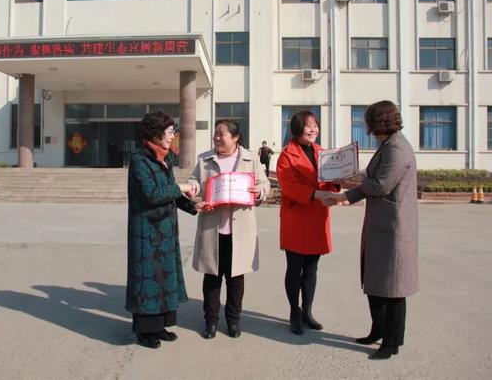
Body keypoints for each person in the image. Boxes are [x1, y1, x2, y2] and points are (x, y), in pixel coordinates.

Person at [322, 100, 419, 360]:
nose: (366, 128)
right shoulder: (387, 144)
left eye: (368, 122)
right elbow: (373, 179)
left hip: (394, 227)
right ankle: (378, 329)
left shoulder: (396, 148)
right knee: (376, 280)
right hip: (380, 224)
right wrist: (345, 192)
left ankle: (392, 342)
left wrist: (349, 188)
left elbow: (381, 185)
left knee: (393, 287)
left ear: (378, 123)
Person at [188, 119, 270, 339]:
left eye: (221, 134)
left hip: (239, 230)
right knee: (212, 279)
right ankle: (211, 322)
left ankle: (233, 321)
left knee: (235, 281)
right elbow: (194, 179)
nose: (216, 137)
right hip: (212, 229)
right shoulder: (205, 158)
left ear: (235, 138)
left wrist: (259, 191)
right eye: (215, 133)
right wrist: (193, 187)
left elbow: (264, 183)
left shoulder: (251, 158)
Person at [125, 111, 198, 349]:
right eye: (168, 132)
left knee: (164, 278)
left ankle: (159, 326)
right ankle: (144, 331)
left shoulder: (165, 159)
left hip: (166, 232)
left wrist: (194, 206)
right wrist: (182, 187)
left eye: (172, 132)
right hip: (147, 233)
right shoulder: (140, 160)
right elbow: (152, 194)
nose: (172, 136)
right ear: (155, 134)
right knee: (148, 280)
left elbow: (169, 192)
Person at [276, 110, 340, 335]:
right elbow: (289, 186)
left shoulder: (322, 152)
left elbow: (328, 182)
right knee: (295, 268)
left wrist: (336, 181)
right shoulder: (286, 155)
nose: (313, 129)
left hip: (317, 217)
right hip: (296, 218)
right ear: (297, 128)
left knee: (312, 268)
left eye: (315, 125)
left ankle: (307, 311)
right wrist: (315, 194)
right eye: (308, 125)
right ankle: (294, 312)